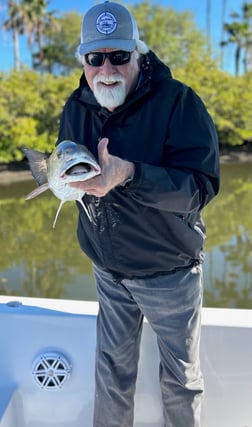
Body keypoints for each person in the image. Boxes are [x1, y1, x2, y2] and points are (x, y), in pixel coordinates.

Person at [57, 2, 220, 426]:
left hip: (171, 272)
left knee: (181, 380)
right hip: (108, 272)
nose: (106, 68)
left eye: (118, 56)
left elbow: (199, 189)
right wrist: (61, 182)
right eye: (95, 58)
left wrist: (129, 174)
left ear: (139, 55)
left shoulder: (180, 103)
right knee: (111, 374)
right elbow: (64, 165)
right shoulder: (75, 109)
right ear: (84, 61)